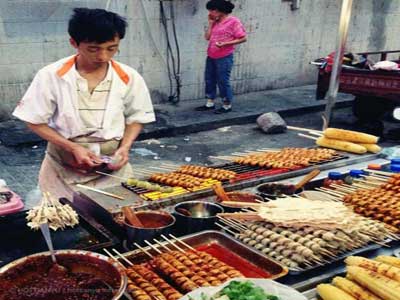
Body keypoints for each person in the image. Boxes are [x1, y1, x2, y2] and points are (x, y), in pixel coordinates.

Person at [12, 8, 155, 200]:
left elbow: (137, 117)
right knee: (60, 220)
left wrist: (125, 147)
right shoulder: (51, 75)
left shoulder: (128, 76)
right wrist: (72, 148)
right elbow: (34, 120)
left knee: (115, 219)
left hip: (112, 169)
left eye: (112, 48)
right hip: (62, 168)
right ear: (74, 43)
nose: (103, 56)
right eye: (93, 49)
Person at [196, 0, 247, 114]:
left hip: (224, 56)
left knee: (223, 81)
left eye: (211, 11)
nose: (210, 13)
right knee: (209, 79)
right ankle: (210, 103)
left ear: (219, 11)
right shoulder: (215, 22)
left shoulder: (233, 21)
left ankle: (227, 105)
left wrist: (225, 44)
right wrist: (210, 23)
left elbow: (243, 38)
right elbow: (207, 37)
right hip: (211, 55)